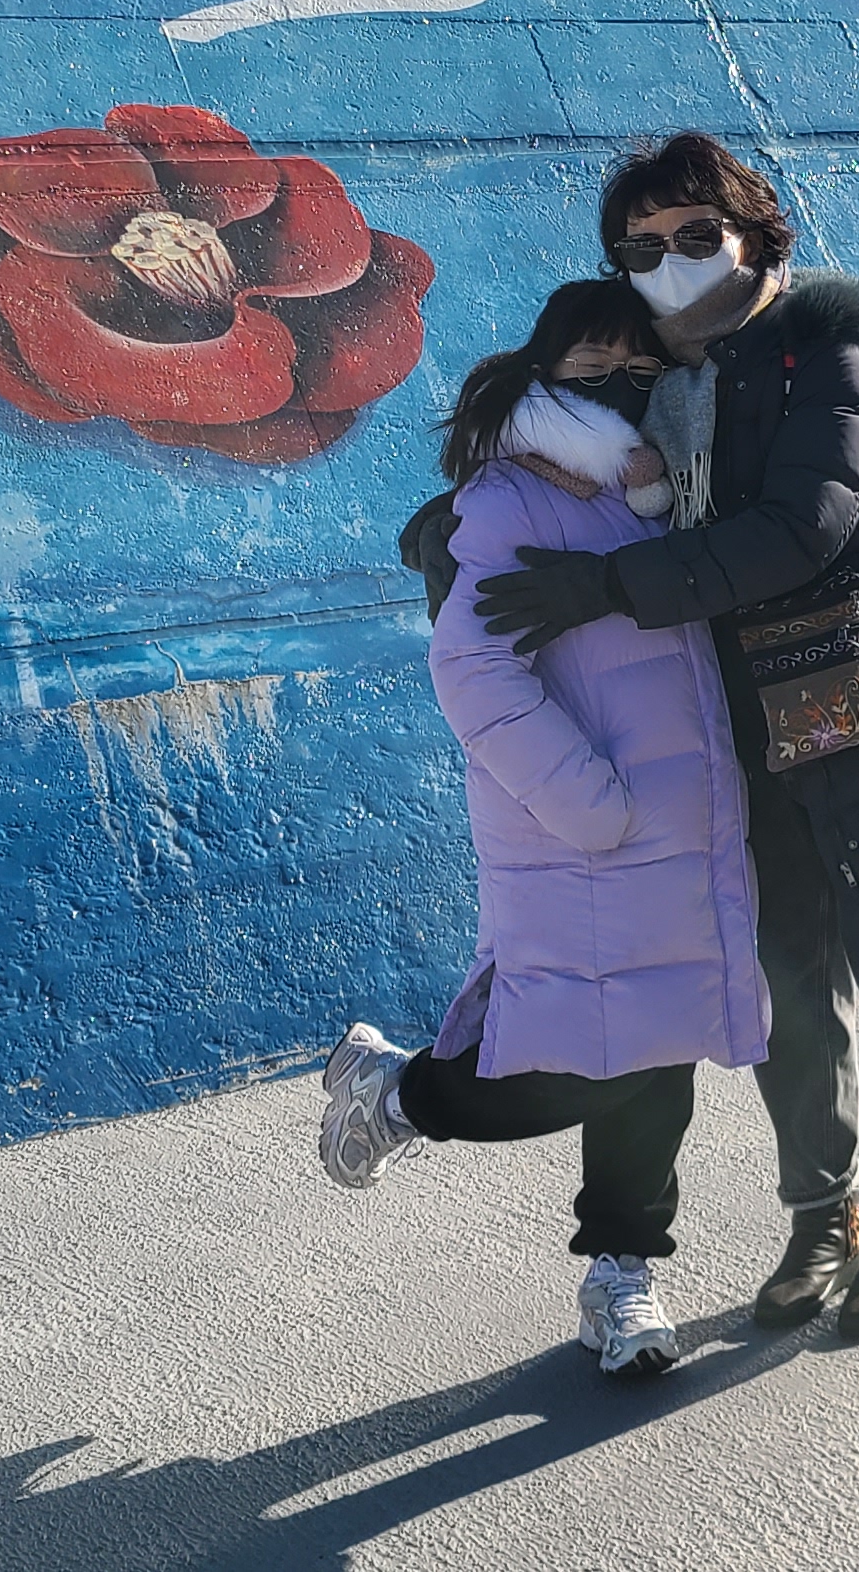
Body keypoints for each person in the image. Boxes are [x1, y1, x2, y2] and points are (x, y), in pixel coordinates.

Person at [474, 135, 859, 1342]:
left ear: (758, 237)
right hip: (736, 733)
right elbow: (536, 461)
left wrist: (605, 589)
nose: (671, 261)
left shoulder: (826, 357)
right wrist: (447, 536)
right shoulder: (647, 382)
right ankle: (820, 1216)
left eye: (698, 234)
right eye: (642, 246)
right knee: (787, 986)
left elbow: (806, 528)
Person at [318, 279, 766, 1383]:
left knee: (658, 1057)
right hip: (584, 840)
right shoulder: (511, 493)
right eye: (589, 361)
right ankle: (399, 1095)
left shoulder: (656, 495)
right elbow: (472, 666)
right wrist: (588, 802)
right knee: (574, 1068)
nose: (617, 379)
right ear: (543, 371)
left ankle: (623, 1276)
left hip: (686, 832)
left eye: (637, 363)